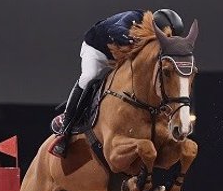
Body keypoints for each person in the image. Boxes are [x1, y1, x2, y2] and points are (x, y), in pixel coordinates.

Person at [49, 9, 185, 158]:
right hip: (96, 49)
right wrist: (135, 41)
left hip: (118, 55)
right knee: (89, 76)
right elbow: (115, 30)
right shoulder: (134, 17)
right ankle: (65, 127)